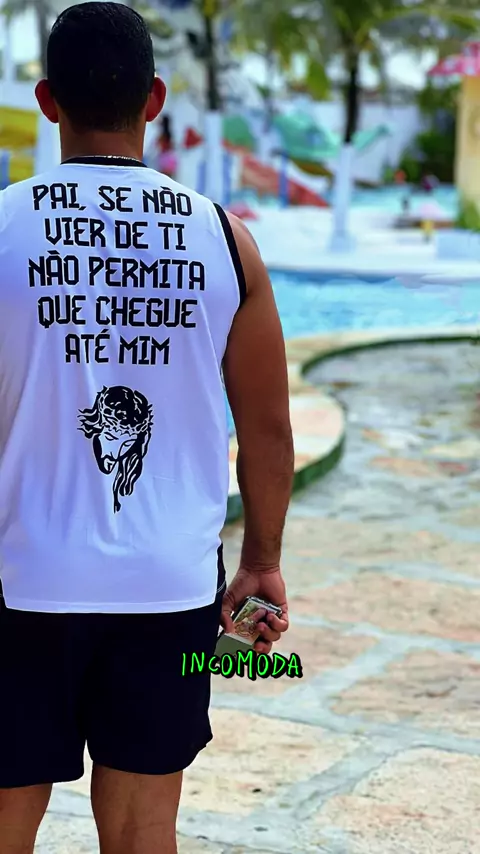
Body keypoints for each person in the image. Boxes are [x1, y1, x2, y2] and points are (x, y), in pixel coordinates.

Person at [0, 4, 294, 854]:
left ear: (48, 101)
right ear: (154, 99)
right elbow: (268, 430)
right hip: (168, 585)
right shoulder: (225, 240)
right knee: (142, 827)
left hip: (21, 577)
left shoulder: (5, 226)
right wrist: (261, 561)